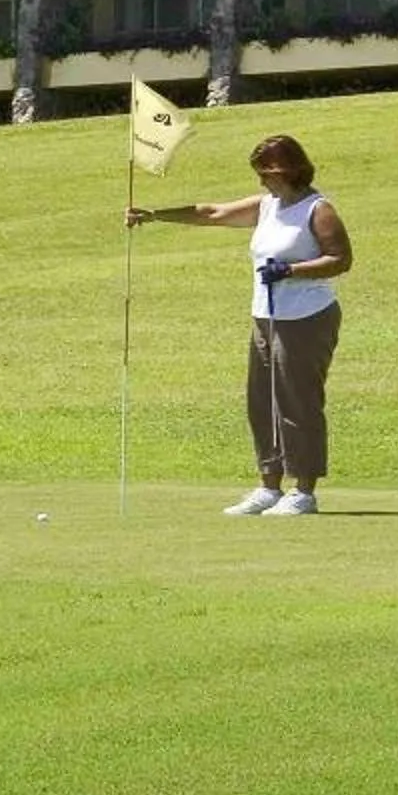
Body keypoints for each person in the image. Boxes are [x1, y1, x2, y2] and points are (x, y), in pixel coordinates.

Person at [127, 133, 353, 516]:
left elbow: (340, 258)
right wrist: (154, 214)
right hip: (265, 317)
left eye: (265, 174)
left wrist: (291, 270)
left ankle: (303, 490)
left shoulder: (317, 209)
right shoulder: (268, 206)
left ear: (285, 171)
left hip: (306, 318)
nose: (261, 182)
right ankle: (269, 486)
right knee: (261, 402)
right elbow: (211, 212)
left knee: (298, 402)